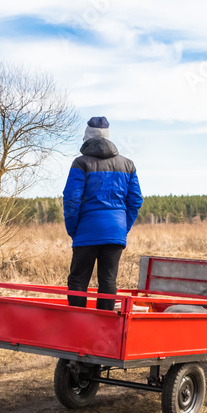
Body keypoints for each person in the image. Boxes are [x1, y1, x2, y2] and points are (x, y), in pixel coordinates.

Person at [63, 116, 143, 309]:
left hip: (87, 230)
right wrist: (123, 228)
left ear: (87, 138)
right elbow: (135, 200)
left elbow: (71, 199)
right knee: (108, 281)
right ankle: (104, 328)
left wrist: (74, 229)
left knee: (78, 280)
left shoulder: (81, 163)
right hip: (115, 231)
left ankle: (77, 324)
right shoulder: (128, 164)